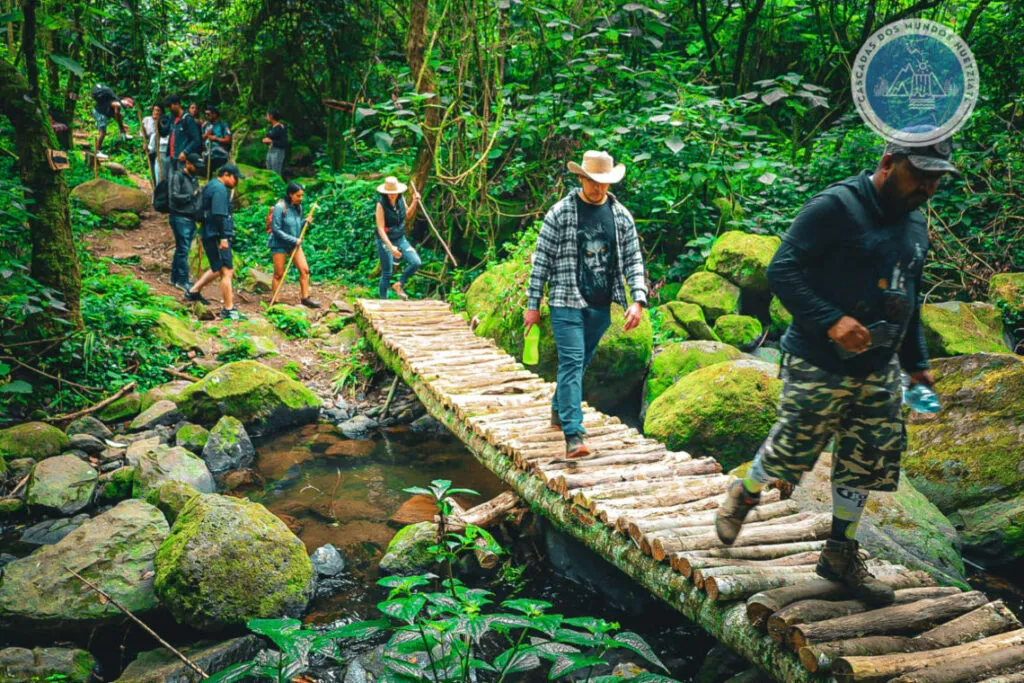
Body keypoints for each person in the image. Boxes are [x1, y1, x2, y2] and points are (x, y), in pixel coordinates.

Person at [713, 134, 959, 605]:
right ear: (888, 162)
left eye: (935, 179)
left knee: (865, 461)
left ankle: (839, 556)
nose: (928, 188)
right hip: (818, 359)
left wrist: (917, 365)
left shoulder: (915, 223)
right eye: (920, 175)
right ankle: (745, 492)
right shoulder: (836, 207)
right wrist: (831, 321)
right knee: (793, 450)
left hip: (879, 366)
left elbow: (909, 297)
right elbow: (782, 270)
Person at [524, 150, 649, 459]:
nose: (598, 188)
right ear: (581, 178)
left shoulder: (621, 216)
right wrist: (533, 304)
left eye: (604, 182)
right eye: (593, 181)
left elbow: (633, 259)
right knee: (572, 361)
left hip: (600, 305)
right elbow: (541, 261)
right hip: (565, 300)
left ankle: (558, 410)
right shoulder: (561, 213)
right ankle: (574, 435)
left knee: (579, 363)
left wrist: (638, 299)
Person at [184, 164, 247, 320]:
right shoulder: (219, 189)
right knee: (227, 271)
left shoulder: (211, 185)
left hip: (210, 232)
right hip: (217, 235)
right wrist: (224, 237)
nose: (236, 182)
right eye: (235, 178)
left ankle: (193, 292)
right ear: (226, 174)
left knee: (217, 267)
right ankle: (228, 309)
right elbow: (219, 214)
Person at [269, 182, 320, 308]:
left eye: (302, 195)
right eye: (298, 196)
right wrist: (293, 240)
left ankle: (305, 298)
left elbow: (295, 226)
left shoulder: (298, 207)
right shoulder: (280, 207)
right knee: (279, 274)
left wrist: (304, 222)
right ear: (290, 194)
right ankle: (275, 301)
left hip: (294, 244)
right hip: (279, 244)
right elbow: (276, 229)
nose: (300, 198)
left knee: (305, 270)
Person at [374, 176, 422, 300]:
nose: (392, 195)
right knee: (387, 272)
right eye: (389, 193)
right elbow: (380, 228)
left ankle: (399, 284)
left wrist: (414, 201)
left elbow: (407, 215)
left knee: (416, 262)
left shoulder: (401, 199)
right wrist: (391, 248)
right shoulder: (381, 204)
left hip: (400, 238)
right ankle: (383, 301)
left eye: (394, 193)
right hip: (385, 240)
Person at [168, 153, 202, 292]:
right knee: (183, 249)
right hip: (179, 217)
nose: (198, 168)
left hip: (190, 217)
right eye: (195, 166)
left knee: (181, 249)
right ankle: (182, 280)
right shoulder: (178, 176)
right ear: (187, 164)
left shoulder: (194, 178)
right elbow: (174, 196)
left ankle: (174, 278)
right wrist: (191, 196)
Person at [90, 84, 132, 159]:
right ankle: (97, 152)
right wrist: (121, 125)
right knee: (102, 133)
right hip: (100, 113)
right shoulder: (117, 104)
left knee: (120, 115)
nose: (128, 107)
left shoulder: (115, 100)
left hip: (101, 112)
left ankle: (123, 133)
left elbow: (116, 115)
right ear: (126, 101)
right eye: (128, 105)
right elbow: (116, 114)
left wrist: (122, 125)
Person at [162, 95, 201, 175]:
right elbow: (164, 132)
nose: (169, 109)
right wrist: (159, 121)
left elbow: (196, 139)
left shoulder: (187, 119)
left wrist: (185, 152)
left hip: (182, 159)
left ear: (177, 104)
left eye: (170, 106)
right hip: (172, 157)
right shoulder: (172, 118)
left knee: (181, 180)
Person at [202, 105, 232, 176]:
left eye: (208, 114)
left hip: (220, 153)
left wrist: (215, 138)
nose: (206, 116)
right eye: (205, 114)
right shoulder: (206, 125)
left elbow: (228, 139)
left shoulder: (223, 124)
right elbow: (201, 137)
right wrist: (207, 134)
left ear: (214, 114)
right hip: (207, 152)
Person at [142, 104, 166, 183]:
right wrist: (145, 143)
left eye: (158, 110)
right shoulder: (147, 120)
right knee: (153, 169)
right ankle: (154, 183)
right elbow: (145, 135)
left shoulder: (164, 121)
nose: (155, 112)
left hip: (161, 149)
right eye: (154, 110)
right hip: (151, 147)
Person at [262, 108, 288, 176]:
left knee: (276, 172)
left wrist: (272, 141)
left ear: (271, 116)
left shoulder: (280, 128)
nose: (266, 117)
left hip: (278, 151)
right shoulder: (270, 127)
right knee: (269, 170)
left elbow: (284, 143)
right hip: (270, 150)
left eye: (267, 115)